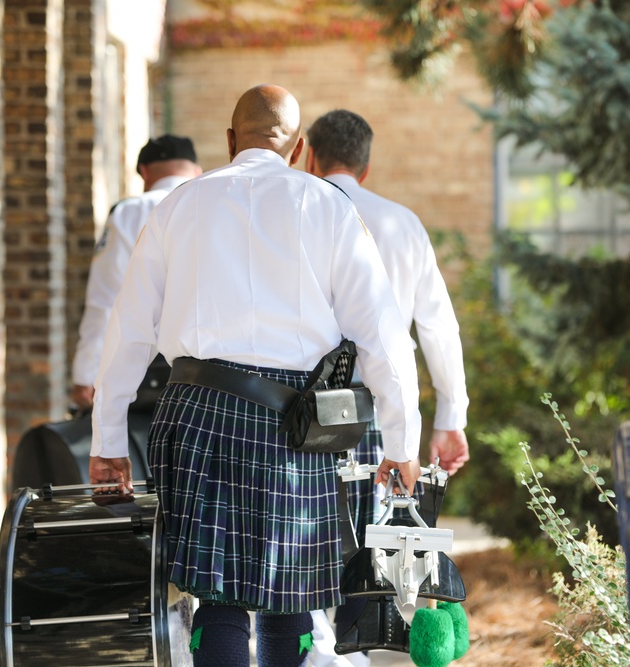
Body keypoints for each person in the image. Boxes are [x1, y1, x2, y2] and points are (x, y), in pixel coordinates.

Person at [89, 84, 422, 667]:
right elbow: (383, 338)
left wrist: (108, 441)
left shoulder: (178, 206)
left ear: (228, 139)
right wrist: (402, 442)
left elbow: (128, 332)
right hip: (292, 425)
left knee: (215, 593)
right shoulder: (327, 206)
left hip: (194, 416)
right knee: (288, 593)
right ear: (297, 150)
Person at [304, 109, 471, 667]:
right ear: (367, 166)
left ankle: (319, 651)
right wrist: (451, 415)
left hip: (301, 408)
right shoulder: (401, 223)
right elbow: (438, 326)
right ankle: (355, 652)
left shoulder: (298, 215)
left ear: (308, 155)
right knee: (369, 538)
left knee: (300, 536)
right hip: (379, 406)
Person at [70, 134, 202, 410]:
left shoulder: (132, 212)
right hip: (221, 375)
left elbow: (106, 298)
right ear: (196, 170)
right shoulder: (221, 205)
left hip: (147, 372)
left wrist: (86, 373)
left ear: (144, 172)